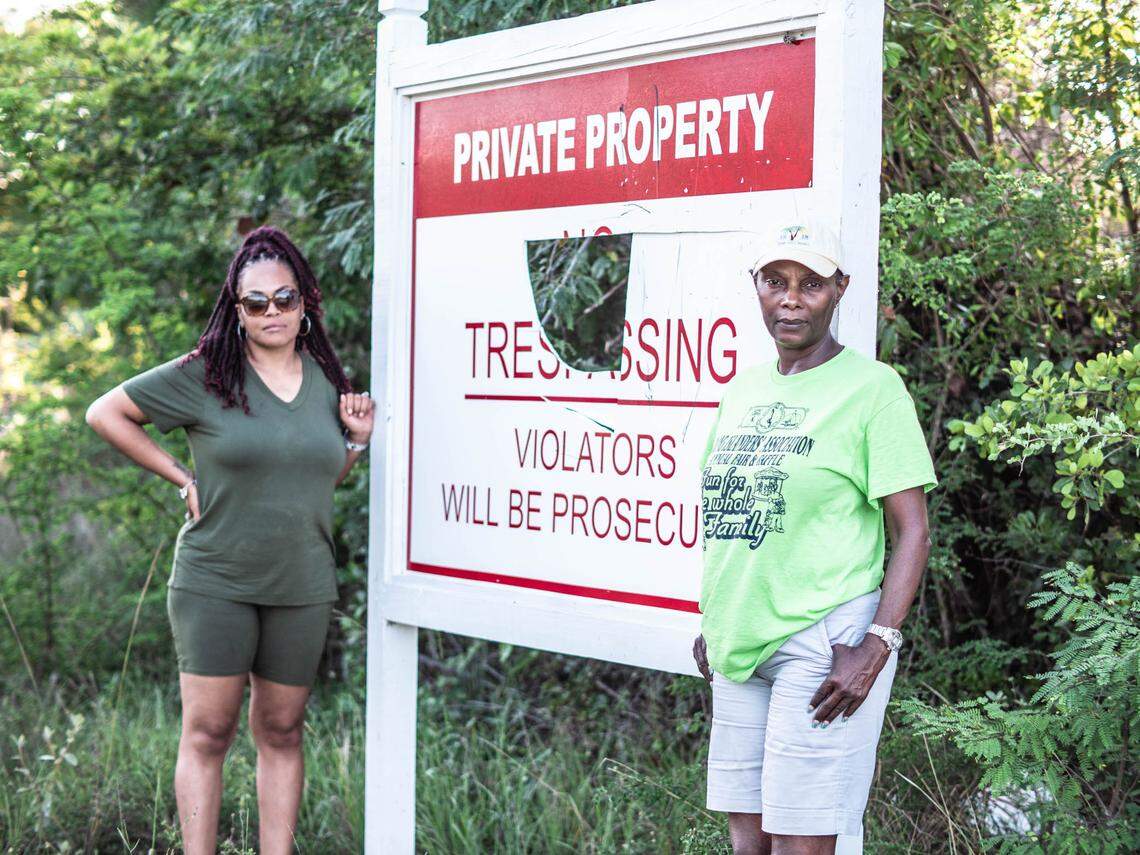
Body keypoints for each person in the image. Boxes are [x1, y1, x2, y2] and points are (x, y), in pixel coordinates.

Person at [84, 225, 375, 854]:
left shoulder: (327, 379)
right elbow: (105, 413)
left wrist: (354, 442)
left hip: (301, 581)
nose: (273, 312)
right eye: (256, 303)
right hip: (215, 579)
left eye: (285, 299)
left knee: (283, 730)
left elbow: (313, 478)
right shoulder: (205, 374)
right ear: (236, 309)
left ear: (305, 303)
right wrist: (181, 476)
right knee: (209, 733)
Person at [692, 219, 937, 855]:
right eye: (776, 282)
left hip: (826, 643)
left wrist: (876, 645)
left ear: (839, 290)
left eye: (811, 284)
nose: (791, 298)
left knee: (802, 839)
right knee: (749, 839)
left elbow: (911, 530)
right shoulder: (742, 389)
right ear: (758, 289)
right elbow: (732, 509)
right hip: (741, 643)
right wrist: (716, 618)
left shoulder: (873, 389)